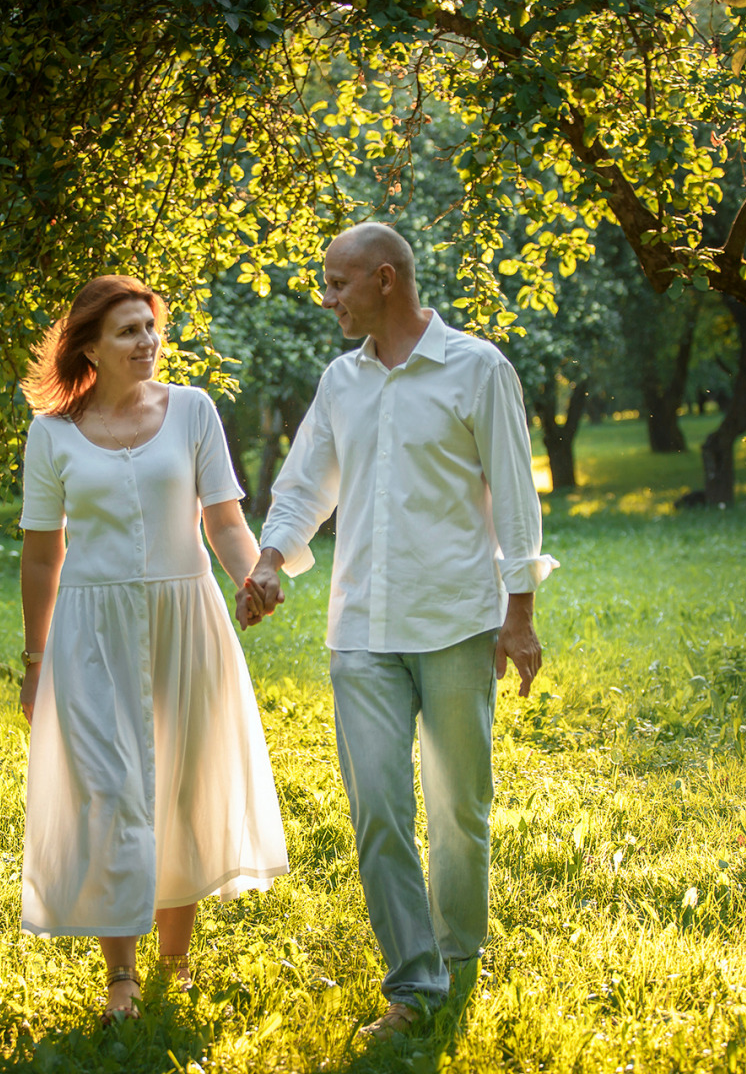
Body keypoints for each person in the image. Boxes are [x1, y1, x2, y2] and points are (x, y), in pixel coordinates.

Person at [239, 223, 557, 1039]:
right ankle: (414, 987)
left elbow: (517, 499)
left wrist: (519, 616)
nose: (327, 299)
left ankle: (458, 957)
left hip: (455, 619)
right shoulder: (341, 382)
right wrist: (271, 558)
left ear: (386, 279)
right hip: (363, 629)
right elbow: (306, 482)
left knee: (459, 808)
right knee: (378, 806)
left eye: (338, 284)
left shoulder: (477, 368)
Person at [16, 274, 288, 1023]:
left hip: (186, 615)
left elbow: (225, 520)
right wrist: (36, 663)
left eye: (152, 326)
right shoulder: (52, 433)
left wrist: (250, 577)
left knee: (181, 786)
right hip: (90, 631)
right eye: (129, 331)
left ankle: (176, 963)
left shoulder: (193, 411)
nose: (148, 341)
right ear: (91, 349)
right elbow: (42, 556)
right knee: (108, 795)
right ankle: (120, 980)